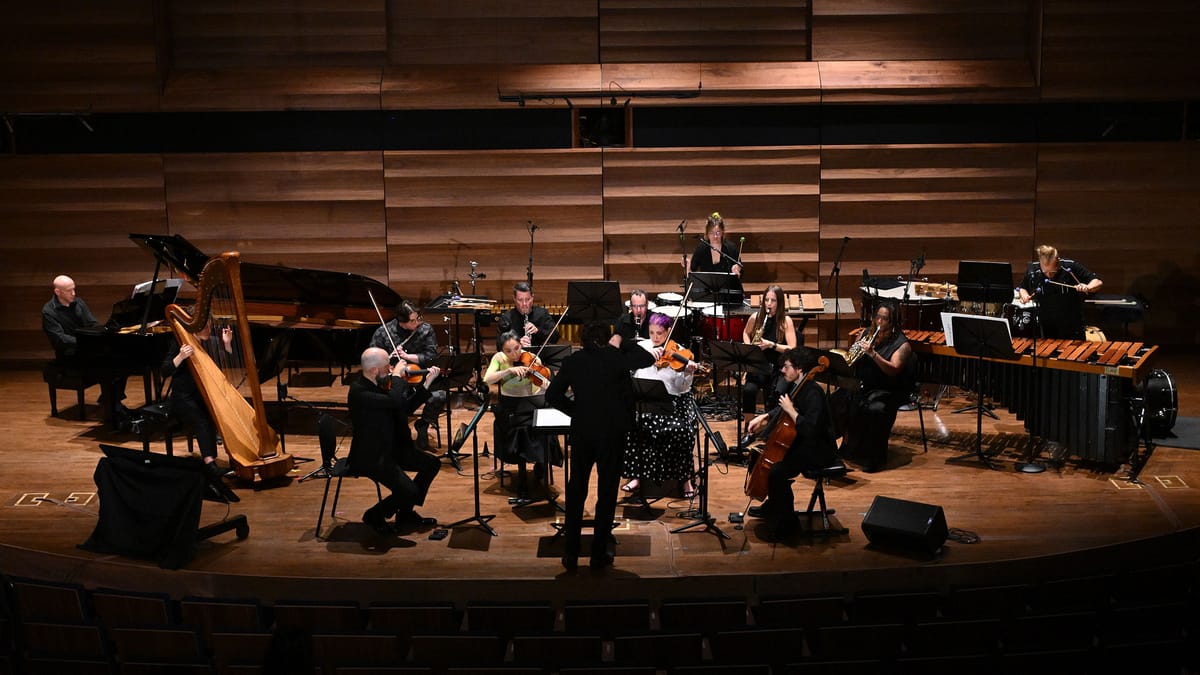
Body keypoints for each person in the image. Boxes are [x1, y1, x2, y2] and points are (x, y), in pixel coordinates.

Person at [546, 321, 656, 571]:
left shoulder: (573, 361)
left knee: (576, 491)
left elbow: (553, 396)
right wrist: (619, 343)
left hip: (583, 432)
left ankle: (571, 552)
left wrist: (576, 411)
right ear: (606, 339)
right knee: (607, 493)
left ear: (582, 339)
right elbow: (647, 358)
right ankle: (598, 554)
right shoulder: (615, 358)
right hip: (612, 435)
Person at [745, 347, 840, 535]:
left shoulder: (813, 392)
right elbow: (783, 408)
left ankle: (787, 524)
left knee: (777, 471)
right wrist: (763, 416)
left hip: (818, 450)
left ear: (800, 369)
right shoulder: (797, 387)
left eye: (786, 367)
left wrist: (791, 411)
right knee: (763, 456)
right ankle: (774, 506)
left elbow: (810, 428)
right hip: (803, 443)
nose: (782, 370)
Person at [347, 347, 442, 534]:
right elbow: (394, 402)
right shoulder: (359, 392)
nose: (390, 369)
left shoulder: (381, 385)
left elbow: (403, 408)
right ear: (374, 370)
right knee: (410, 492)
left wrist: (426, 385)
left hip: (392, 449)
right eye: (387, 367)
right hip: (372, 455)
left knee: (432, 464)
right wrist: (398, 376)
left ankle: (405, 514)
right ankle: (374, 515)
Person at [621, 312, 699, 498]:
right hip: (645, 402)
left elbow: (681, 389)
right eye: (652, 333)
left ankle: (685, 478)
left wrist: (688, 373)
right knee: (632, 425)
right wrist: (644, 357)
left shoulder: (680, 352)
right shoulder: (642, 347)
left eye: (660, 333)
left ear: (669, 331)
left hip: (671, 404)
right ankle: (637, 476)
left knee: (682, 431)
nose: (655, 338)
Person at [161, 319, 240, 502]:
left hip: (204, 396)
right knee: (202, 420)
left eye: (210, 326)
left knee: (216, 416)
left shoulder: (211, 342)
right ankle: (210, 464)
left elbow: (225, 362)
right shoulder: (180, 343)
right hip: (183, 398)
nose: (209, 329)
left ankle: (224, 460)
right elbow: (165, 370)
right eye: (205, 326)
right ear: (194, 327)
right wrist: (180, 357)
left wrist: (227, 344)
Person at [834, 300, 915, 473]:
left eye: (884, 318)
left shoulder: (902, 344)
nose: (879, 321)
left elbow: (893, 370)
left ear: (892, 322)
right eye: (877, 316)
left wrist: (873, 354)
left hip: (888, 389)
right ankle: (847, 445)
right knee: (838, 400)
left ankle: (873, 457)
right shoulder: (865, 333)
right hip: (865, 384)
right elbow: (851, 358)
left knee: (874, 409)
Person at [41, 274, 130, 428]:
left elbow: (92, 323)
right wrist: (85, 342)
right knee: (106, 366)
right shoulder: (49, 312)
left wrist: (98, 336)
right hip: (68, 356)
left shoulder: (78, 303)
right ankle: (112, 409)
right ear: (58, 292)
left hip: (84, 350)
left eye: (74, 289)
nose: (73, 293)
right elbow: (60, 339)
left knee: (121, 361)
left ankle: (111, 402)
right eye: (69, 291)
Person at [483, 330, 562, 501]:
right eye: (508, 350)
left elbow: (543, 385)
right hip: (510, 407)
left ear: (521, 344)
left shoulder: (532, 358)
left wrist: (543, 381)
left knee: (544, 427)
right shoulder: (499, 358)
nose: (514, 354)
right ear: (502, 350)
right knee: (521, 431)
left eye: (517, 348)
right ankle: (522, 480)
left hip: (533, 402)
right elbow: (488, 379)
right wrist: (508, 372)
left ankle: (541, 464)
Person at [370, 300, 447, 450]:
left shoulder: (425, 329)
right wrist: (387, 361)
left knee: (440, 395)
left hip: (422, 375)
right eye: (412, 320)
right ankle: (397, 432)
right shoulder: (384, 332)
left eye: (418, 318)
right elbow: (372, 358)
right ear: (401, 321)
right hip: (395, 379)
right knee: (398, 399)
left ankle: (423, 424)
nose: (417, 323)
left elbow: (431, 356)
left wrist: (407, 356)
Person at [1017, 245, 1103, 340]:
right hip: (1045, 328)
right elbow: (1023, 287)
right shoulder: (1033, 270)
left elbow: (1098, 282)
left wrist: (1088, 287)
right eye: (1045, 272)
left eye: (1052, 272)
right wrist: (1024, 295)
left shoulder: (1070, 266)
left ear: (1058, 260)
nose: (1049, 275)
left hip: (1072, 327)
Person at [741, 284, 798, 426]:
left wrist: (772, 345)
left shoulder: (786, 321)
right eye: (766, 300)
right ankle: (749, 426)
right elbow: (745, 332)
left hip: (778, 368)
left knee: (776, 393)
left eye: (773, 301)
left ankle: (771, 427)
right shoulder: (756, 317)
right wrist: (749, 346)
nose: (769, 304)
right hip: (758, 365)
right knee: (748, 390)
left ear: (779, 303)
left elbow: (792, 348)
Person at [497, 282, 559, 348]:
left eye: (528, 299)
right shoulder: (506, 318)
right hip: (515, 357)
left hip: (538, 356)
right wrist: (516, 343)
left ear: (532, 298)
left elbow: (555, 338)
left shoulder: (542, 314)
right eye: (520, 300)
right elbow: (498, 346)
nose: (524, 304)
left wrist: (538, 331)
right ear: (514, 299)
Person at [689, 212, 743, 276]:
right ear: (707, 234)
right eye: (712, 233)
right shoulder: (702, 248)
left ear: (722, 232)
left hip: (727, 285)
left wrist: (737, 270)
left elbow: (741, 273)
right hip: (706, 285)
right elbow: (692, 269)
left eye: (718, 233)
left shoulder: (731, 248)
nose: (715, 236)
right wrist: (687, 265)